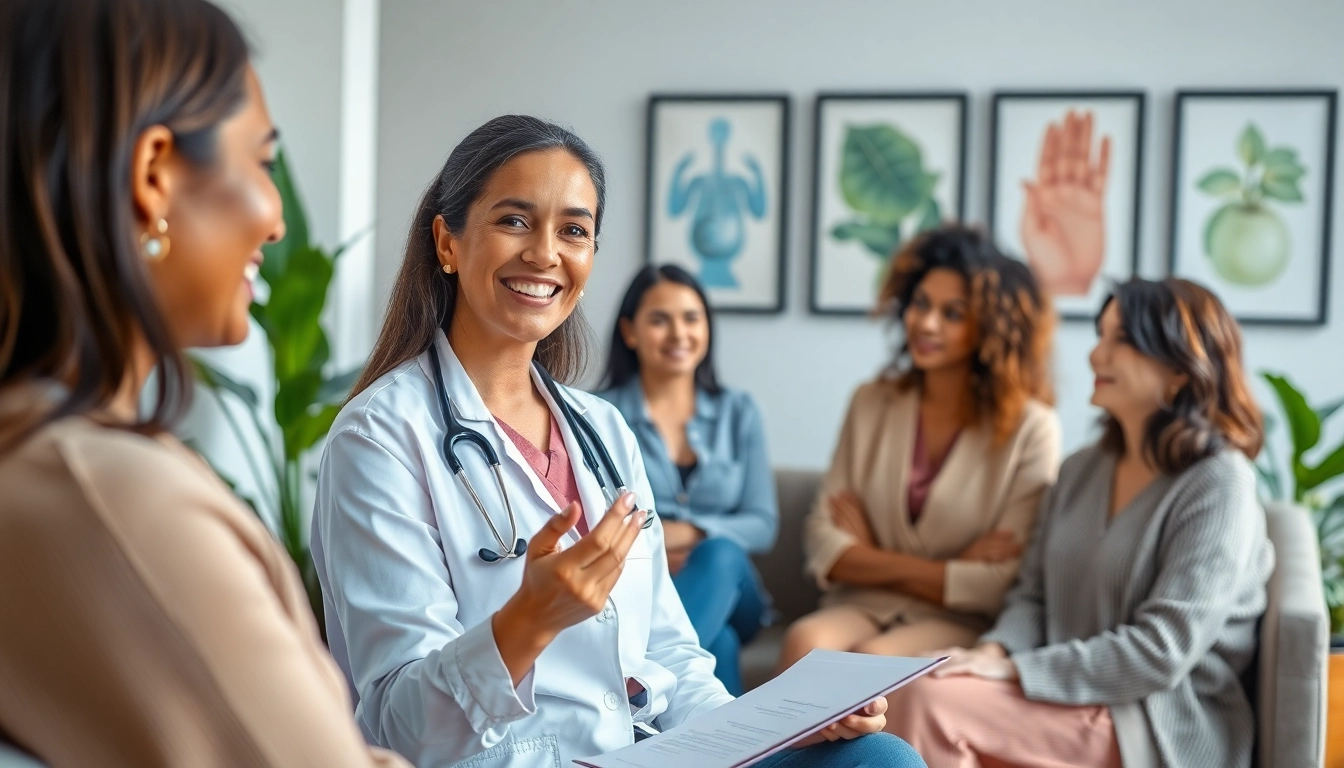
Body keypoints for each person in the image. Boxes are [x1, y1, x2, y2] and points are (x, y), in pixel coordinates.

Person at [310, 115, 924, 768]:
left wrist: (779, 729)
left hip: (641, 754)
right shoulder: (378, 438)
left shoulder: (600, 430)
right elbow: (402, 727)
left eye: (573, 230)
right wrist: (527, 621)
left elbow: (671, 655)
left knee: (877, 759)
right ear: (448, 242)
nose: (545, 253)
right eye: (515, 220)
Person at [0, 1, 407, 766]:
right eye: (261, 161)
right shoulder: (107, 493)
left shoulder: (40, 454)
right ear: (154, 174)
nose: (278, 220)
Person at [886, 278, 1273, 768]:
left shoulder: (1220, 483)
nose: (1095, 356)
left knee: (931, 702)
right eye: (1099, 335)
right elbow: (1032, 596)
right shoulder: (1079, 470)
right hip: (1058, 695)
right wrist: (992, 654)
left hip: (1155, 719)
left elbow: (1163, 650)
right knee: (917, 682)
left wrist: (1013, 671)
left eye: (1121, 340)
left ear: (1180, 368)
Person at [777, 227, 1060, 672]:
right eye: (921, 304)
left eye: (953, 314)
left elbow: (1000, 581)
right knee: (804, 641)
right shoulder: (870, 401)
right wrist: (951, 566)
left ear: (991, 328)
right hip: (863, 602)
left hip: (958, 618)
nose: (926, 323)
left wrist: (870, 554)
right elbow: (823, 541)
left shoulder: (1033, 429)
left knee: (872, 664)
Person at [597, 264, 777, 696]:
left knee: (720, 552)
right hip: (650, 587)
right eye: (660, 320)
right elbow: (598, 520)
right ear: (630, 331)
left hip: (733, 591)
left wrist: (689, 534)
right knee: (720, 644)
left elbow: (763, 525)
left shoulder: (740, 412)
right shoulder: (598, 416)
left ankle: (638, 684)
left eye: (692, 318)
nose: (679, 333)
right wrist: (660, 545)